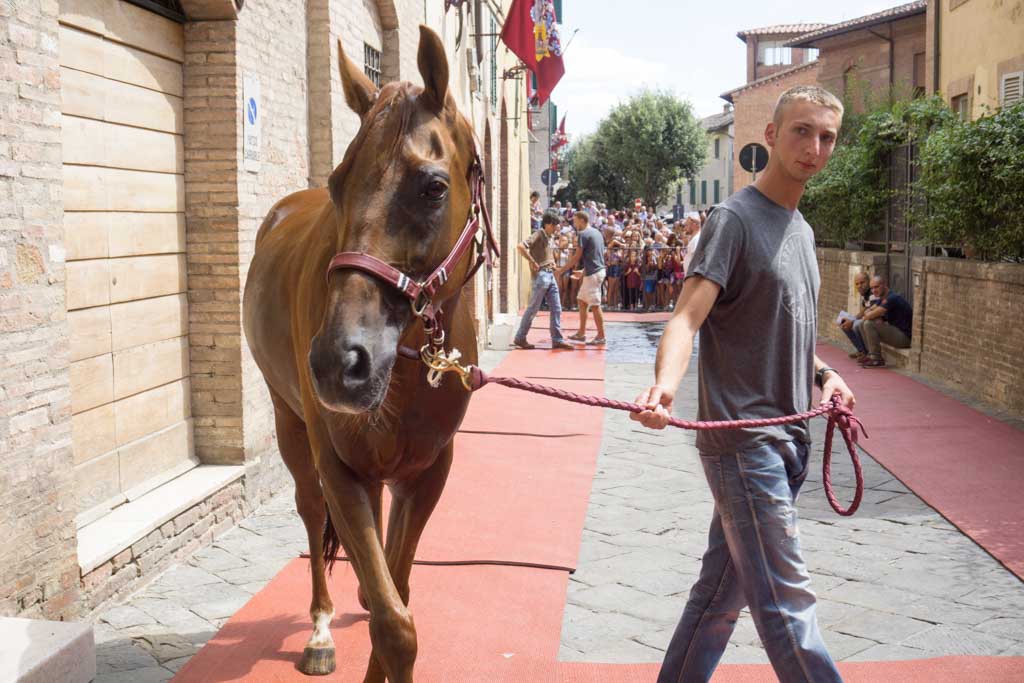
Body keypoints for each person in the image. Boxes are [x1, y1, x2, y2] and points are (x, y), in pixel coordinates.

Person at [632, 85, 853, 683]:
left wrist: (826, 375)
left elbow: (791, 331)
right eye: (801, 132)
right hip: (745, 444)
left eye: (826, 136)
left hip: (790, 442)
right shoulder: (732, 220)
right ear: (771, 138)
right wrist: (665, 388)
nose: (813, 147)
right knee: (787, 604)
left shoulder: (802, 232)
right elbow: (685, 316)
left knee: (719, 601)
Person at [513, 211, 575, 350]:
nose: (556, 228)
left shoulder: (549, 236)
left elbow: (546, 254)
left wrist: (552, 263)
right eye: (554, 225)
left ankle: (557, 339)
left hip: (549, 274)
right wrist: (532, 261)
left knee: (556, 308)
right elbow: (521, 246)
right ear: (547, 224)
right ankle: (520, 337)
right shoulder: (539, 234)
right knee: (533, 309)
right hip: (542, 275)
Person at [557, 211, 607, 344]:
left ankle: (601, 336)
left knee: (595, 305)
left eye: (575, 220)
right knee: (581, 301)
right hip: (596, 272)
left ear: (582, 220)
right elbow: (596, 256)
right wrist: (584, 271)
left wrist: (561, 270)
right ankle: (581, 333)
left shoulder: (583, 234)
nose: (574, 223)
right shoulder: (597, 232)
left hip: (593, 274)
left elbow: (576, 257)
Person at [858, 275, 912, 368]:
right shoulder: (882, 299)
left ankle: (876, 358)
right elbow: (867, 312)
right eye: (872, 288)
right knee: (861, 323)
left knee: (868, 324)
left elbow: (868, 315)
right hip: (895, 332)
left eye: (876, 287)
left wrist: (873, 316)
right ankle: (870, 355)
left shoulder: (892, 298)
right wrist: (874, 316)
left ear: (884, 285)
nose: (874, 291)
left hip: (904, 337)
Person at [839, 271, 873, 361]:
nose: (859, 286)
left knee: (856, 325)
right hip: (867, 318)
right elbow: (864, 310)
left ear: (868, 282)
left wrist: (853, 321)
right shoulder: (865, 295)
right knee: (844, 325)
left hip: (874, 321)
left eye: (862, 283)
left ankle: (867, 353)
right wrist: (852, 318)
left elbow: (869, 312)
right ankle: (861, 351)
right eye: (857, 284)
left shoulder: (873, 293)